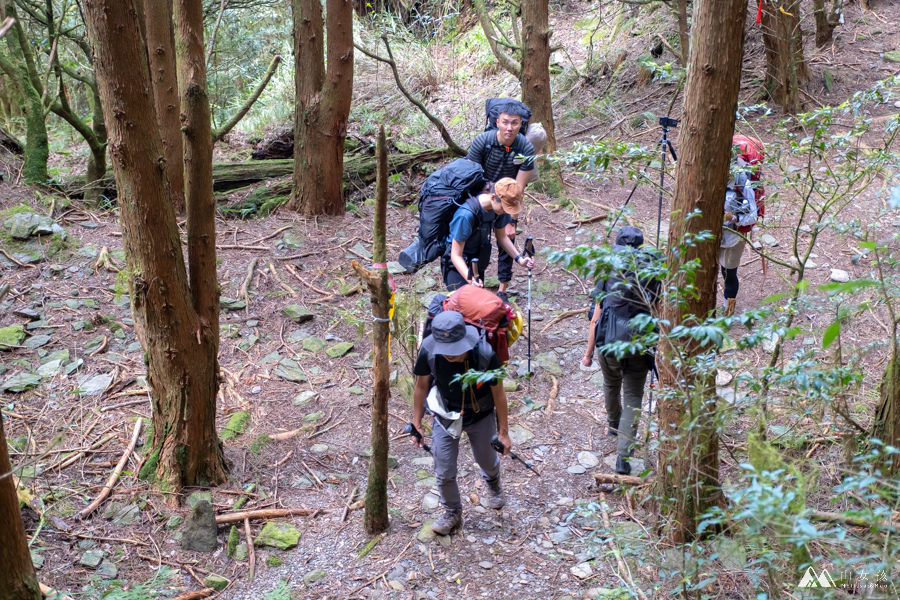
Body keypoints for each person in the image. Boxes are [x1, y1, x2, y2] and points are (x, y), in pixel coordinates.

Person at [410, 311, 513, 535]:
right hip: (445, 414)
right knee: (444, 468)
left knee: (486, 460)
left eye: (453, 349)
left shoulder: (484, 353)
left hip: (481, 414)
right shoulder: (428, 351)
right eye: (444, 348)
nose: (448, 354)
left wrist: (503, 433)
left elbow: (499, 394)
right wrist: (417, 422)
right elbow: (421, 386)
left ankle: (493, 483)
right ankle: (452, 511)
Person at [582, 226, 659, 476]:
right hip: (639, 342)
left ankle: (614, 424)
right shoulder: (651, 270)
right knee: (634, 397)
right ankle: (623, 459)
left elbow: (597, 314)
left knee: (611, 383)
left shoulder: (607, 269)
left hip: (609, 341)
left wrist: (588, 352)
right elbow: (658, 309)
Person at [467, 103, 536, 301]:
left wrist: (512, 220)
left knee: (507, 235)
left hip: (508, 194)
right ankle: (474, 282)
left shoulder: (525, 148)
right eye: (505, 122)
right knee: (478, 239)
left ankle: (503, 289)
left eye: (514, 123)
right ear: (497, 122)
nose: (509, 127)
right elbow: (469, 174)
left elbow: (519, 188)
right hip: (481, 194)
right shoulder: (483, 141)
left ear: (520, 124)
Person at [441, 177, 535, 291]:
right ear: (493, 197)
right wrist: (470, 279)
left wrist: (520, 259)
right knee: (461, 305)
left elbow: (502, 237)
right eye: (504, 208)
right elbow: (455, 255)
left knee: (479, 305)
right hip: (457, 265)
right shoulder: (466, 215)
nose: (506, 212)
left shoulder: (499, 209)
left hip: (477, 260)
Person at [720, 157, 759, 317]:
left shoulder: (743, 183)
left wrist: (732, 218)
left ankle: (728, 312)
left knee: (728, 274)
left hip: (733, 237)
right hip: (711, 235)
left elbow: (753, 216)